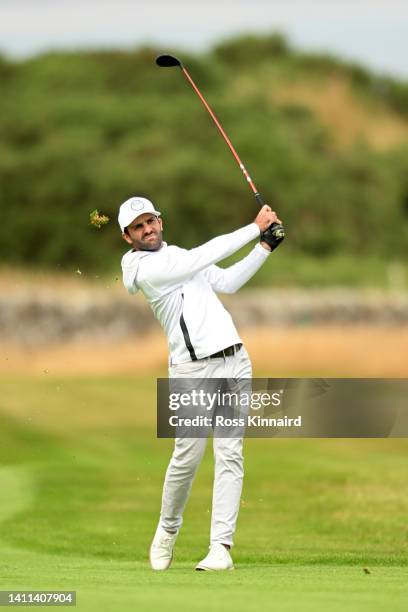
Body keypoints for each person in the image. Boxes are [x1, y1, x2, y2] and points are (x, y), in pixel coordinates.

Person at [118, 196, 282, 571]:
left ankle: (221, 547)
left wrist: (264, 247)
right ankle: (167, 529)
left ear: (161, 221)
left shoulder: (177, 255)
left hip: (235, 361)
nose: (148, 230)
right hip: (192, 371)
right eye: (138, 227)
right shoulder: (141, 267)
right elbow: (201, 257)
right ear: (128, 237)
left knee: (230, 454)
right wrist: (254, 226)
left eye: (151, 221)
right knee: (187, 458)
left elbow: (228, 281)